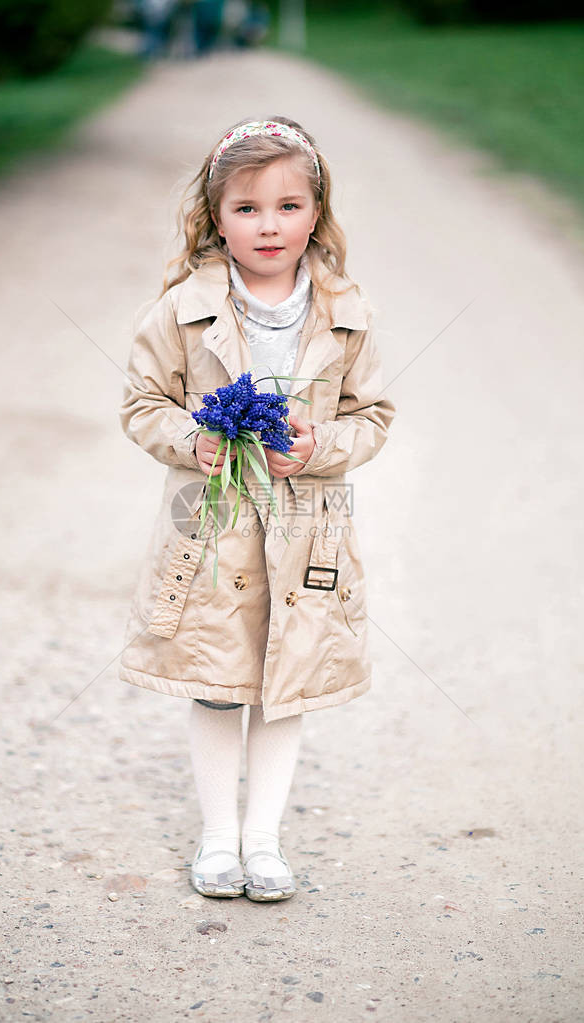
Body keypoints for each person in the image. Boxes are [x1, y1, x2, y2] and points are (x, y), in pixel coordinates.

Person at [118, 117, 397, 902]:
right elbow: (142, 403)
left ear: (317, 211)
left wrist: (315, 448)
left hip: (307, 526)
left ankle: (264, 842)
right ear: (216, 218)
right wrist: (192, 440)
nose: (269, 224)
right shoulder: (181, 308)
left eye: (288, 204)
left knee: (288, 681)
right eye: (246, 208)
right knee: (217, 677)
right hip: (214, 528)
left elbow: (372, 416)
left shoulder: (348, 310)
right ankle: (217, 839)